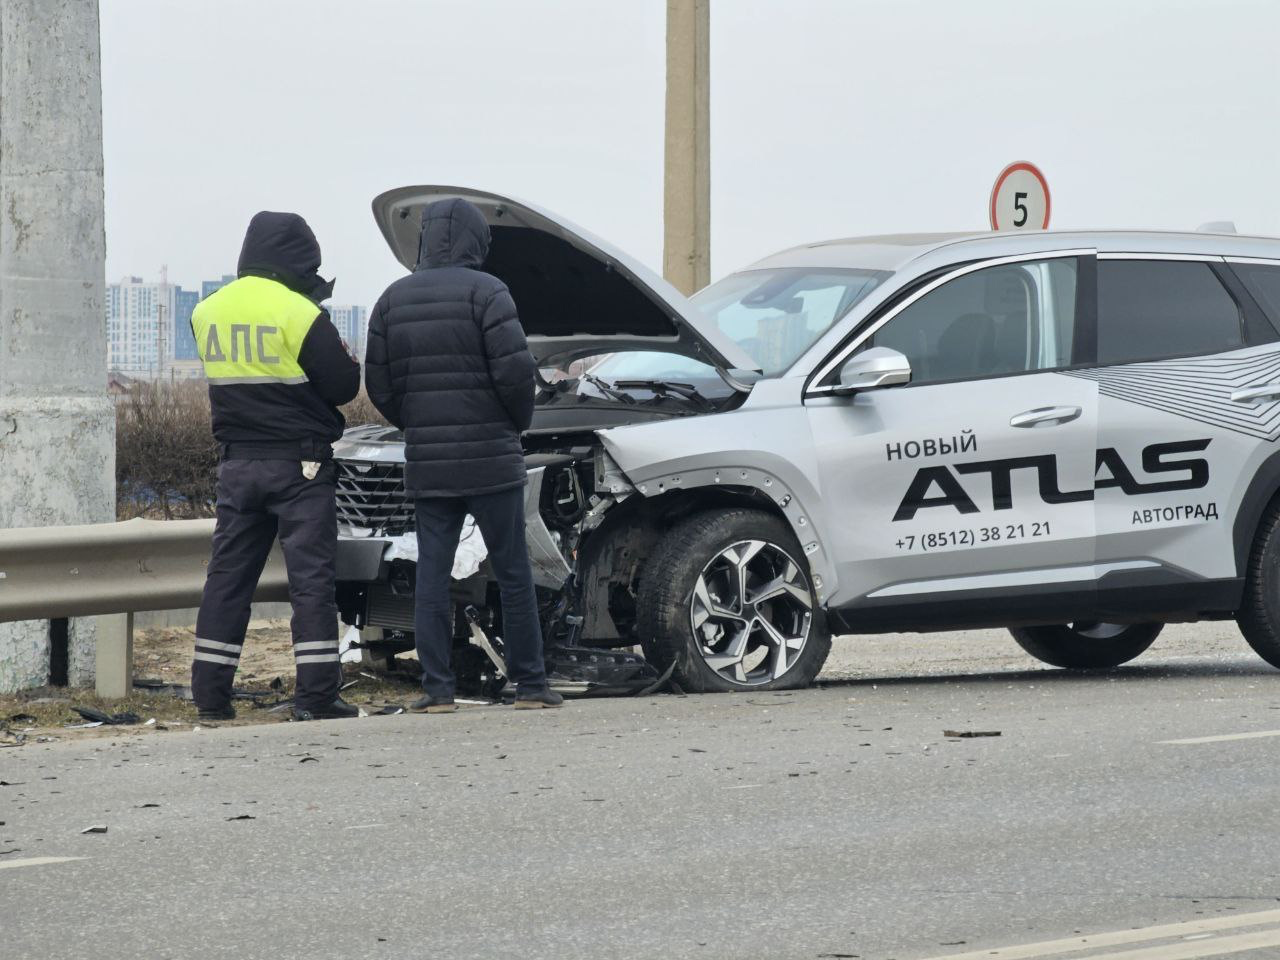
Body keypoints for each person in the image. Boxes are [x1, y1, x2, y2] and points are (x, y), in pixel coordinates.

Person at [364, 198, 562, 713]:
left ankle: (437, 689)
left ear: (426, 238)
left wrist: (418, 424)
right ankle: (532, 686)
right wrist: (513, 425)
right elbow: (516, 375)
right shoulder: (489, 293)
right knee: (514, 572)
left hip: (430, 460)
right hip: (492, 459)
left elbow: (379, 386)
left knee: (431, 575)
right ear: (476, 239)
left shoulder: (392, 300)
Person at [190, 211, 361, 723]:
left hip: (237, 466)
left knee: (227, 580)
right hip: (300, 466)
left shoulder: (206, 311)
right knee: (311, 584)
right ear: (300, 259)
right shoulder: (299, 313)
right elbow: (343, 387)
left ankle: (211, 698)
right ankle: (316, 697)